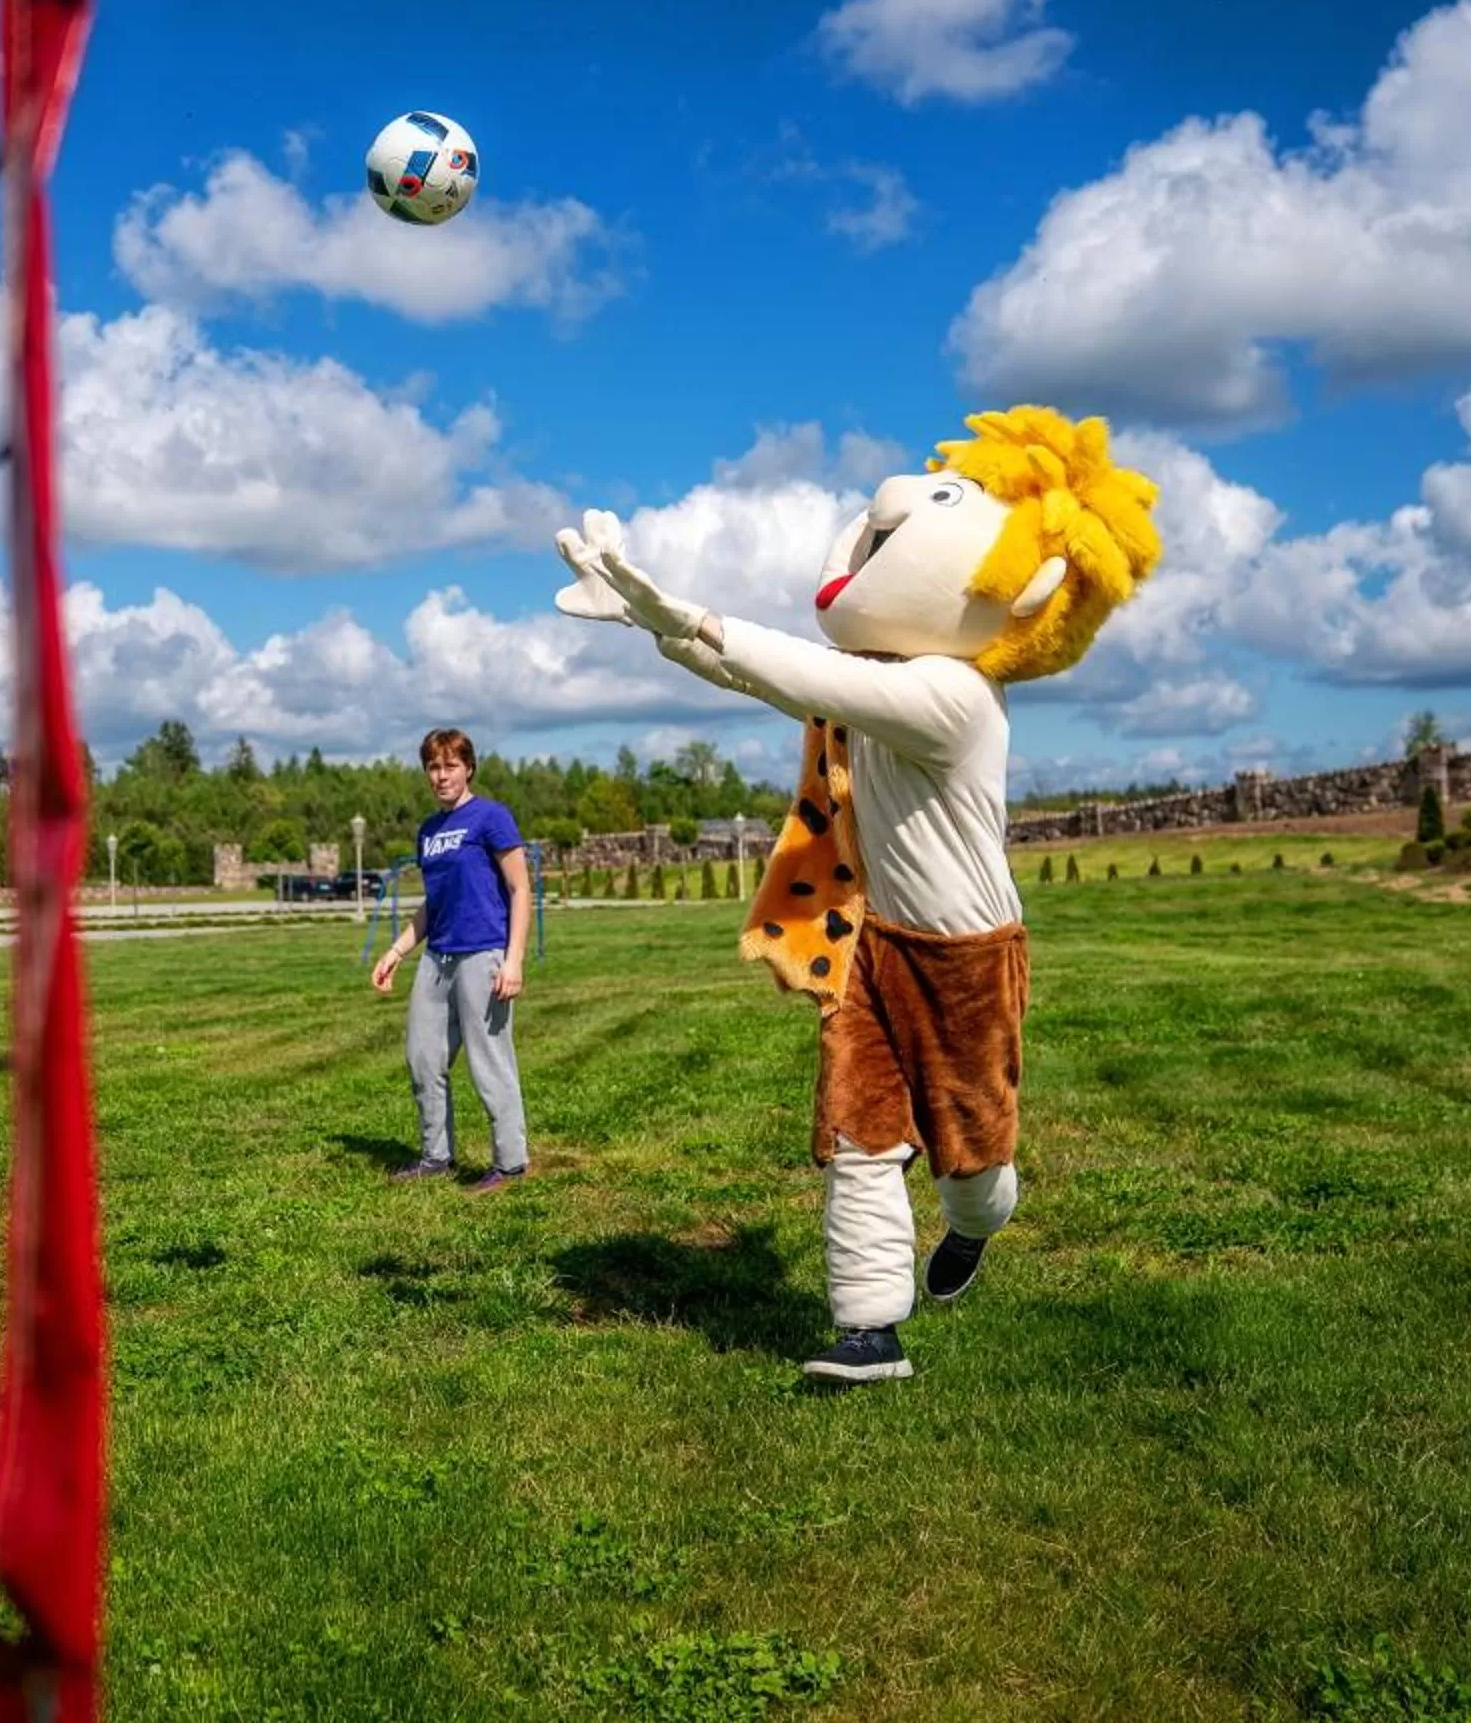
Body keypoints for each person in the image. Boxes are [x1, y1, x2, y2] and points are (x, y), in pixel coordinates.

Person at [556, 407, 1160, 1385]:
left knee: (972, 1159)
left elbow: (799, 674)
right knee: (860, 1132)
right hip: (877, 944)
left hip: (968, 957)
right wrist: (651, 621)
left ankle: (974, 1226)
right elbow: (782, 680)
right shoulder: (881, 678)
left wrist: (690, 618)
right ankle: (868, 1331)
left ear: (1028, 591)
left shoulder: (953, 697)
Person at [369, 728, 532, 1192]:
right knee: (422, 1057)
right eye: (433, 767)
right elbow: (433, 903)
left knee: (489, 1061)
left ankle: (511, 1164)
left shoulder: (491, 818)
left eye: (450, 766)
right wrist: (398, 950)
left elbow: (521, 890)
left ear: (469, 768)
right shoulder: (428, 831)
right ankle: (435, 1156)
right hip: (437, 958)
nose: (441, 776)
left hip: (484, 954)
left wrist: (514, 959)